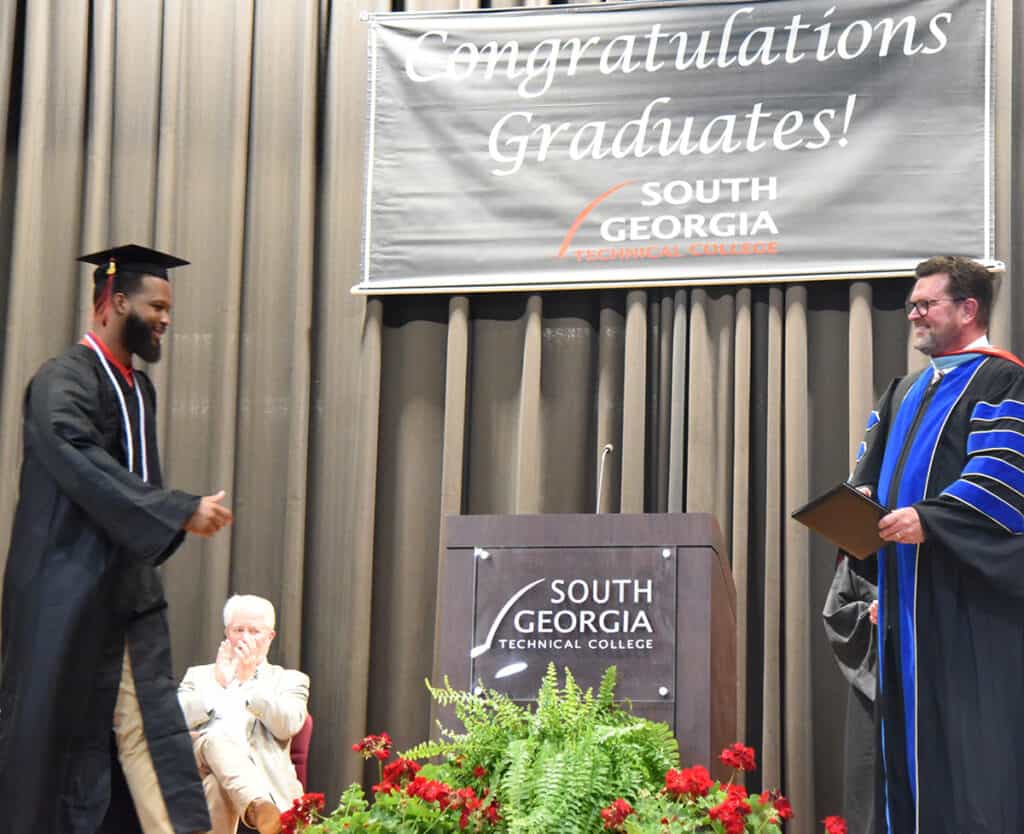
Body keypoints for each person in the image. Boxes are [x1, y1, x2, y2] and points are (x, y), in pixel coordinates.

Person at [0, 244, 234, 834]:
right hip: (63, 592)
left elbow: (133, 481)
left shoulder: (138, 389)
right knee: (51, 737)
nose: (165, 318)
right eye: (156, 305)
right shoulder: (61, 383)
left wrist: (163, 517)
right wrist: (176, 511)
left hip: (127, 588)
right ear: (116, 301)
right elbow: (81, 464)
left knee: (149, 724)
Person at [847, 255, 1024, 834]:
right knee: (904, 759)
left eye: (928, 304)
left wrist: (930, 519)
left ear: (969, 309)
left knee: (971, 757)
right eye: (912, 306)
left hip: (966, 605)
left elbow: (1002, 480)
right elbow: (869, 485)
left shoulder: (1003, 380)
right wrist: (874, 566)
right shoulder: (904, 391)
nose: (915, 315)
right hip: (903, 606)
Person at [178, 595, 309, 834]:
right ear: (227, 632)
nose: (245, 638)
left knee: (219, 786)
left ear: (270, 636)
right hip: (197, 767)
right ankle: (258, 806)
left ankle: (256, 804)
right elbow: (172, 721)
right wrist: (217, 684)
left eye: (254, 631)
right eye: (238, 629)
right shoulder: (198, 676)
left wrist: (250, 682)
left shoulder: (289, 680)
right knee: (214, 740)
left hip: (259, 777)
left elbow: (288, 725)